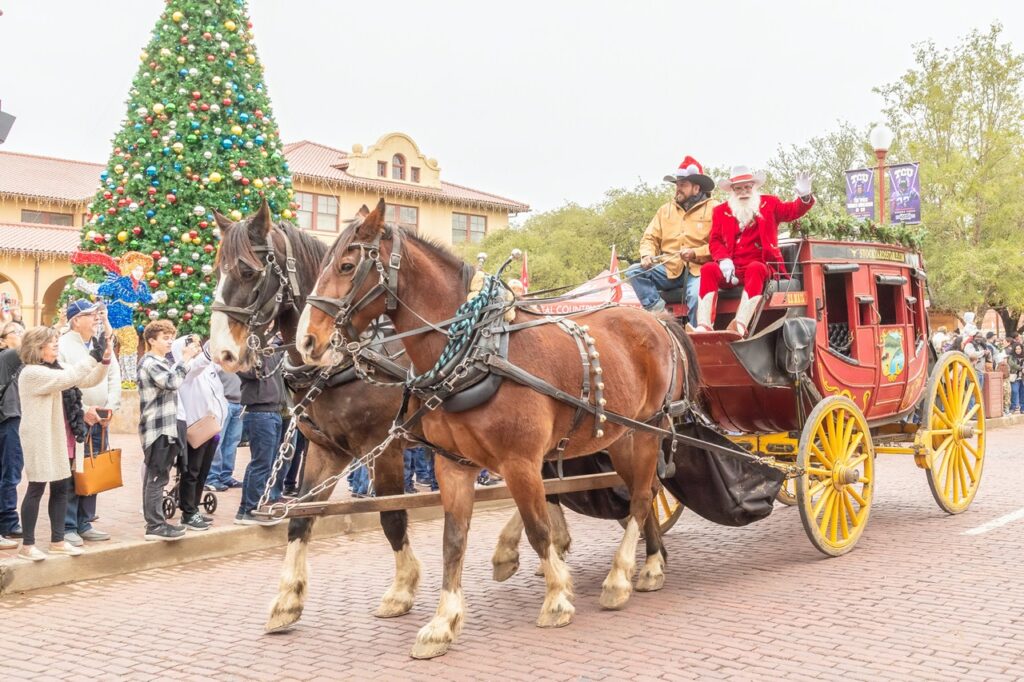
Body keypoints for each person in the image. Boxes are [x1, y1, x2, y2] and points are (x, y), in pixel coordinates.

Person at [15, 326, 111, 561]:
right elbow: (69, 378)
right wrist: (93, 356)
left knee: (60, 488)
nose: (56, 346)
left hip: (62, 436)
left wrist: (104, 359)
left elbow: (87, 379)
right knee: (36, 488)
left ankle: (57, 541)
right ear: (37, 348)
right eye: (52, 343)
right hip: (41, 438)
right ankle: (27, 546)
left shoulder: (58, 367)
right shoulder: (31, 373)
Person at [695, 166, 815, 335]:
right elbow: (715, 241)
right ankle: (704, 325)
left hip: (761, 266)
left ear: (753, 187)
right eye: (738, 188)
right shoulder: (720, 211)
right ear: (732, 190)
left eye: (747, 187)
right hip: (731, 270)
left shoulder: (770, 203)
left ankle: (740, 324)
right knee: (708, 269)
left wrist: (804, 197)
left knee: (755, 268)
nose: (744, 192)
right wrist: (723, 260)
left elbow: (792, 211)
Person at [59, 299, 121, 546]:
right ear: (76, 320)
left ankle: (85, 522)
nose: (97, 319)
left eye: (98, 314)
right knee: (75, 471)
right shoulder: (63, 345)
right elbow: (65, 382)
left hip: (101, 418)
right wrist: (84, 410)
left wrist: (111, 407)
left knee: (93, 468)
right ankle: (68, 526)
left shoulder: (99, 343)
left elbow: (114, 374)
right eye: (91, 315)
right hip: (76, 418)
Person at [626, 156, 716, 324]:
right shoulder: (665, 210)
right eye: (677, 185)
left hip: (699, 270)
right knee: (634, 271)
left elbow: (720, 246)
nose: (678, 189)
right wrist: (646, 255)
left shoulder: (715, 209)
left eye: (683, 185)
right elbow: (649, 237)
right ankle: (662, 317)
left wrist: (695, 252)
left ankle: (697, 335)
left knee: (697, 296)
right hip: (669, 269)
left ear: (696, 188)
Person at [137, 320, 201, 542]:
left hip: (166, 427)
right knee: (157, 476)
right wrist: (185, 359)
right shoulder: (150, 362)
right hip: (158, 428)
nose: (170, 341)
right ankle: (154, 525)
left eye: (171, 336)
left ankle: (156, 523)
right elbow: (172, 382)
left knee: (159, 475)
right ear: (152, 340)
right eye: (165, 337)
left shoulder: (160, 361)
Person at [171, 335, 227, 531]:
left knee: (203, 471)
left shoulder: (207, 368)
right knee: (191, 471)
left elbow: (220, 363)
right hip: (195, 428)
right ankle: (188, 512)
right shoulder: (185, 369)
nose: (196, 347)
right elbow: (201, 362)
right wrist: (216, 336)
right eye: (191, 344)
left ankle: (194, 508)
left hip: (211, 426)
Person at [235, 347, 285, 526]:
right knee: (261, 463)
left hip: (275, 411)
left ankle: (246, 509)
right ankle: (250, 509)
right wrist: (260, 350)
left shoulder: (274, 351)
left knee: (265, 463)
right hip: (259, 412)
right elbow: (254, 372)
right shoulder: (247, 353)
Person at [0, 321, 25, 548]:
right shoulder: (7, 356)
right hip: (8, 420)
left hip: (11, 418)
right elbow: (31, 345)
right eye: (14, 332)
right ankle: (8, 521)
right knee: (11, 470)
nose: (20, 334)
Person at [205, 366, 243, 492]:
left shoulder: (244, 353)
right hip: (223, 402)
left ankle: (226, 475)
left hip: (240, 403)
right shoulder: (221, 351)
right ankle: (211, 477)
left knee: (233, 442)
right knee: (217, 441)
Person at [1008, 343, 1024, 415]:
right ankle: (1012, 408)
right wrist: (1021, 368)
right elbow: (1012, 364)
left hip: (1022, 378)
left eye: (1019, 349)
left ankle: (1022, 408)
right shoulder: (1011, 357)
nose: (1018, 350)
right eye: (1016, 349)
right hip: (1014, 377)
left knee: (1022, 393)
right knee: (1014, 391)